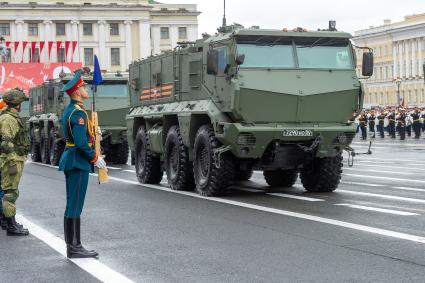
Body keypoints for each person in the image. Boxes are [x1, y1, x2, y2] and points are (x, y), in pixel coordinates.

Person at [59, 71, 106, 258]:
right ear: (77, 91)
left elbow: (79, 137)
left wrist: (94, 134)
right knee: (75, 205)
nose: (86, 89)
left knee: (72, 204)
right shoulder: (78, 114)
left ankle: (73, 245)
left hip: (72, 159)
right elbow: (79, 142)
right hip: (77, 161)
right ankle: (75, 246)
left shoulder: (72, 110)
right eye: (84, 87)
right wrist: (95, 158)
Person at [0, 89, 30, 236]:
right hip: (11, 159)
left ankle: (10, 222)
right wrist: (12, 161)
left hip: (15, 158)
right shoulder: (8, 119)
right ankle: (11, 226)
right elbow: (6, 142)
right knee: (10, 193)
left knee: (11, 191)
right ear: (16, 103)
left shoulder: (11, 116)